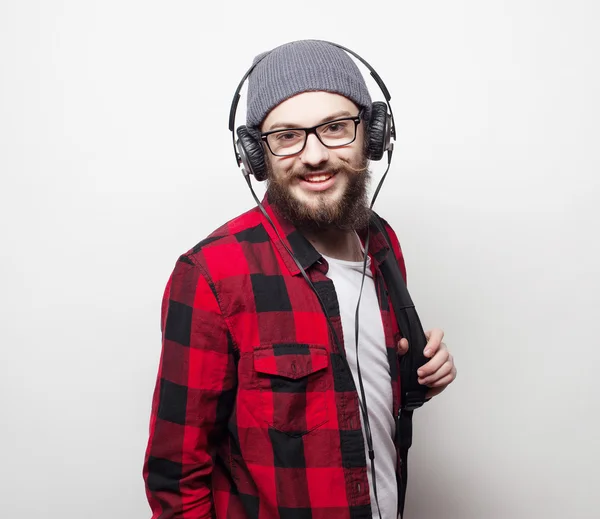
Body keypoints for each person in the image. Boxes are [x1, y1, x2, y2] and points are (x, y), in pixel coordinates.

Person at [143, 39, 457, 519]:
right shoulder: (211, 276)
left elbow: (352, 404)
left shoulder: (383, 242)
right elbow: (175, 479)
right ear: (255, 153)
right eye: (287, 135)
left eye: (335, 127)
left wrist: (418, 378)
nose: (313, 155)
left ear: (371, 135)